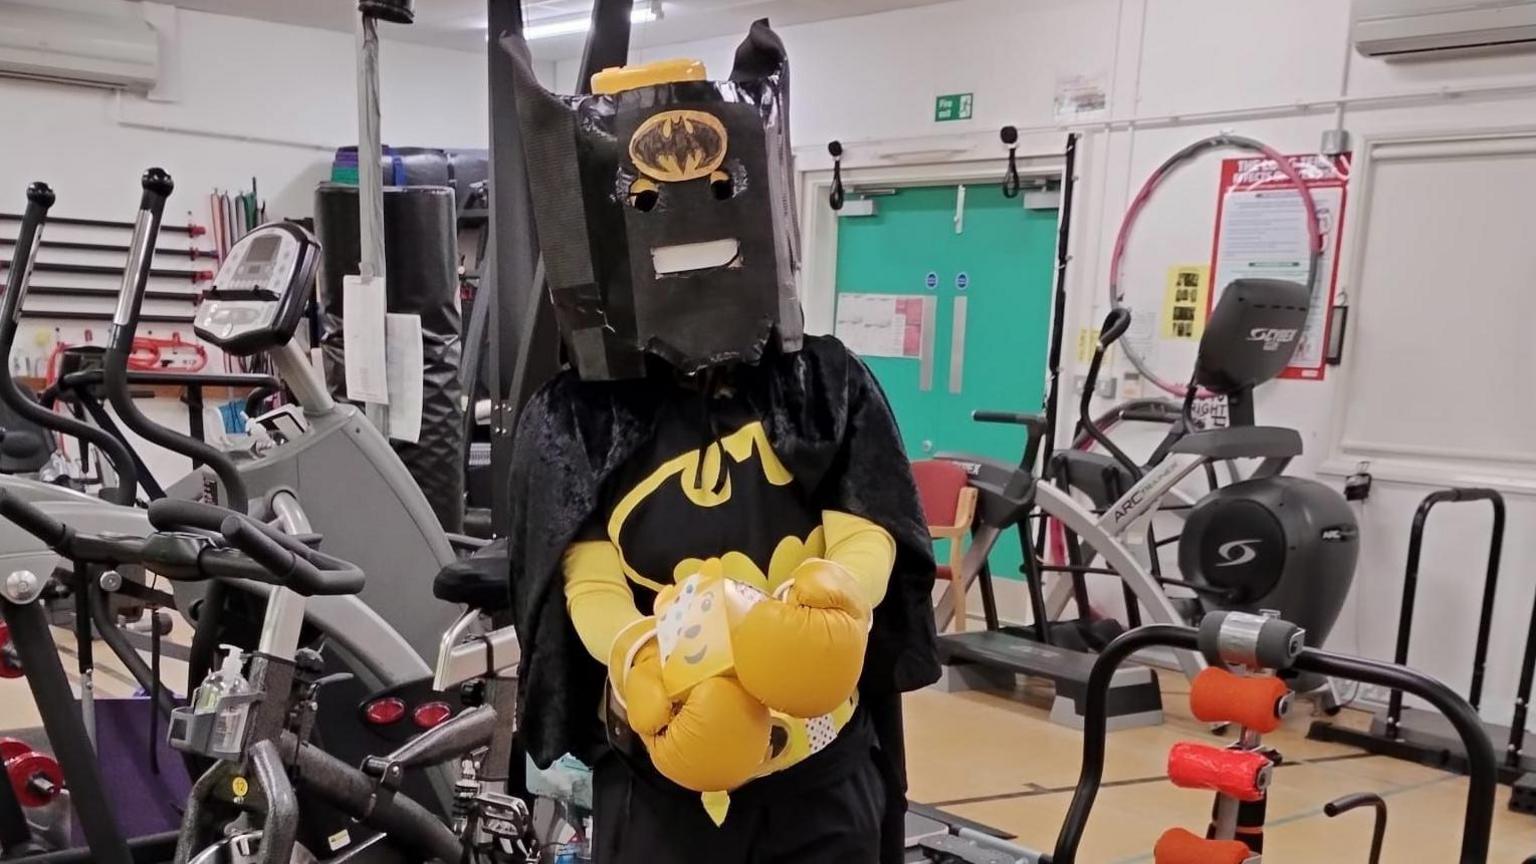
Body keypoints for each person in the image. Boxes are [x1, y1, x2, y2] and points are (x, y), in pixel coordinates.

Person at [502, 20, 940, 863]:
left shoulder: (821, 382)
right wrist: (633, 653)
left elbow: (869, 523)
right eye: (647, 204)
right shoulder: (579, 416)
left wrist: (833, 602)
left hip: (820, 769)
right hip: (663, 771)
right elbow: (583, 572)